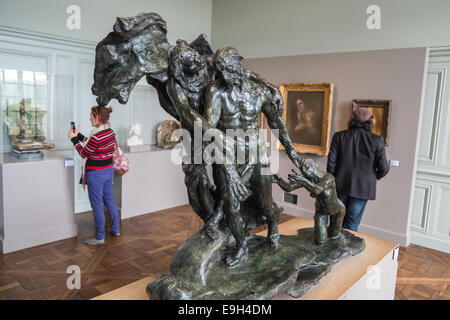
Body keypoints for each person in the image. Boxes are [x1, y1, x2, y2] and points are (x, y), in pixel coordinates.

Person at [326, 107, 390, 231]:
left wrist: (332, 181)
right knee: (352, 223)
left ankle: (333, 247)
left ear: (352, 119)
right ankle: (347, 249)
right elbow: (384, 168)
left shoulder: (339, 136)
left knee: (335, 220)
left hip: (339, 184)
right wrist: (373, 177)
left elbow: (331, 164)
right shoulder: (376, 140)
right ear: (370, 121)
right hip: (363, 187)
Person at [68, 106, 121, 245]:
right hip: (108, 171)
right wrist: (78, 136)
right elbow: (91, 143)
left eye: (91, 116)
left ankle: (99, 237)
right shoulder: (109, 132)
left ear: (97, 117)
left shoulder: (96, 137)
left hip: (96, 174)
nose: (89, 118)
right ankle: (116, 229)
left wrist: (73, 140)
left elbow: (84, 152)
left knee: (97, 205)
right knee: (109, 200)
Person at [273, 159, 345, 245]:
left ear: (315, 165)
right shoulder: (307, 179)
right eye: (302, 167)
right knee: (320, 241)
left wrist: (303, 180)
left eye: (307, 165)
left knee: (333, 236)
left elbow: (317, 190)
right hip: (321, 212)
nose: (304, 168)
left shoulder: (328, 178)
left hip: (337, 210)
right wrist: (278, 179)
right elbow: (289, 188)